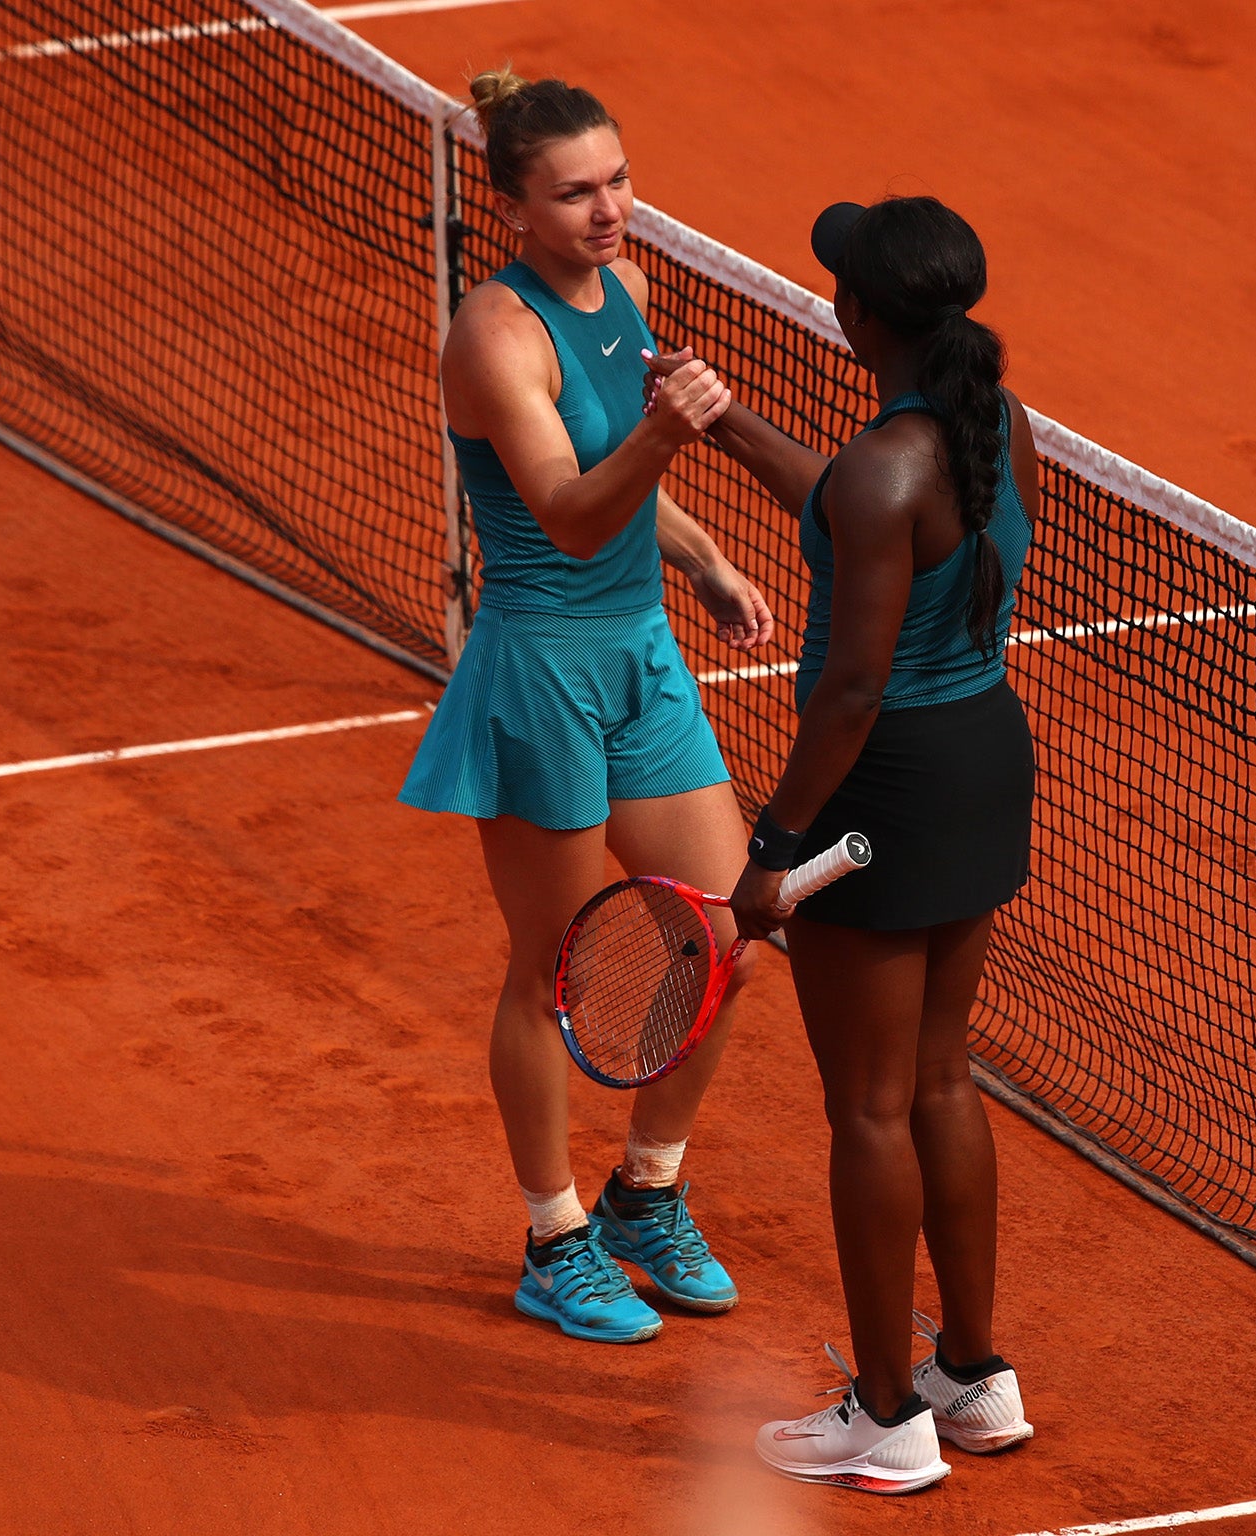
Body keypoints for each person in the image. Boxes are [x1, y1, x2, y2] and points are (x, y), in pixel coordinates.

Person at [649, 195, 1040, 1490]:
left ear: (858, 315)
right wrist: (725, 419)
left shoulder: (886, 471)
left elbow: (852, 689)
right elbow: (863, 511)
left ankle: (885, 1415)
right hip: (984, 761)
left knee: (868, 1102)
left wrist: (775, 846)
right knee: (940, 1077)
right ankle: (975, 1380)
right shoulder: (989, 426)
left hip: (885, 788)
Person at [399, 67, 775, 1345]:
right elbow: (564, 510)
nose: (609, 210)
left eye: (617, 180)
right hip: (540, 670)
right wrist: (671, 438)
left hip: (641, 657)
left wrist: (708, 560)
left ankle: (643, 1193)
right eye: (574, 193)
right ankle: (553, 1233)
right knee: (548, 970)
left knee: (726, 932)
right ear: (511, 205)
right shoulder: (492, 334)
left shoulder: (620, 290)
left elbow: (623, 459)